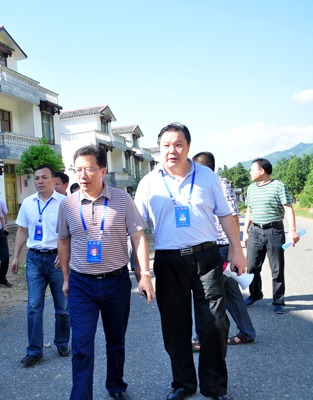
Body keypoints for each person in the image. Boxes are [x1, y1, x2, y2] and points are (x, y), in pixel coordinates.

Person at [134, 123, 247, 400]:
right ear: (159, 149)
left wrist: (237, 249)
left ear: (188, 146)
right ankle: (183, 385)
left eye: (178, 144)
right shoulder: (148, 182)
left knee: (214, 324)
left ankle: (214, 387)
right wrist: (143, 273)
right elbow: (136, 230)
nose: (172, 150)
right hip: (168, 261)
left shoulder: (207, 176)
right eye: (166, 145)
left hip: (206, 257)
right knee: (175, 328)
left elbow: (225, 214)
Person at [58, 145, 154, 400]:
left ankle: (116, 386)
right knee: (81, 345)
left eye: (89, 169)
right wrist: (66, 278)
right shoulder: (68, 204)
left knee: (115, 341)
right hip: (81, 284)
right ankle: (80, 396)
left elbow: (138, 238)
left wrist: (145, 274)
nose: (83, 175)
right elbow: (64, 241)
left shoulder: (122, 199)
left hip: (116, 282)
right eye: (78, 170)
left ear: (102, 170)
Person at [191, 152, 256, 350]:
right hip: (217, 247)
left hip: (219, 248)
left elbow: (233, 217)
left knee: (206, 293)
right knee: (231, 292)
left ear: (202, 167)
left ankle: (201, 337)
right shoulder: (206, 184)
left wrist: (233, 249)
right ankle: (247, 331)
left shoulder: (217, 184)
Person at [11, 165, 70, 366]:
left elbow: (73, 233)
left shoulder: (65, 203)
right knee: (34, 306)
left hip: (57, 260)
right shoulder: (28, 203)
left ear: (54, 180)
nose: (40, 181)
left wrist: (66, 256)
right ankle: (35, 350)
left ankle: (62, 341)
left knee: (62, 306)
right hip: (34, 259)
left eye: (44, 177)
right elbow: (21, 230)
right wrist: (16, 256)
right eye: (36, 178)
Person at [244, 158, 299, 314]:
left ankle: (278, 300)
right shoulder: (250, 189)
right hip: (255, 231)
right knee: (252, 267)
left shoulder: (278, 186)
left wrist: (293, 230)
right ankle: (255, 294)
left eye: (252, 169)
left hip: (274, 231)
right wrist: (246, 232)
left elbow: (288, 208)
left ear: (262, 171)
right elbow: (249, 210)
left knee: (276, 268)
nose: (250, 172)